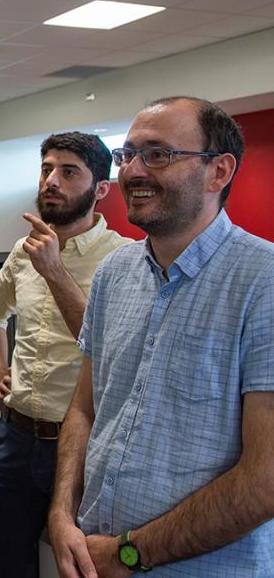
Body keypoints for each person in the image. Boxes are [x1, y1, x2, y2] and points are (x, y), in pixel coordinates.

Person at [48, 97, 274, 577]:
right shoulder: (115, 273)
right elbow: (86, 408)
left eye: (158, 154)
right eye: (127, 154)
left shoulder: (263, 282)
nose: (133, 171)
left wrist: (131, 553)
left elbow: (266, 479)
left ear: (219, 172)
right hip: (92, 555)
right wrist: (62, 513)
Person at [0, 132, 131, 577]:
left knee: (81, 566)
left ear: (101, 189)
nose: (51, 181)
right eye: (46, 169)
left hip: (82, 443)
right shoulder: (22, 253)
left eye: (68, 172)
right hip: (16, 437)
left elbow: (110, 348)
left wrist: (55, 270)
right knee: (4, 564)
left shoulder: (123, 259)